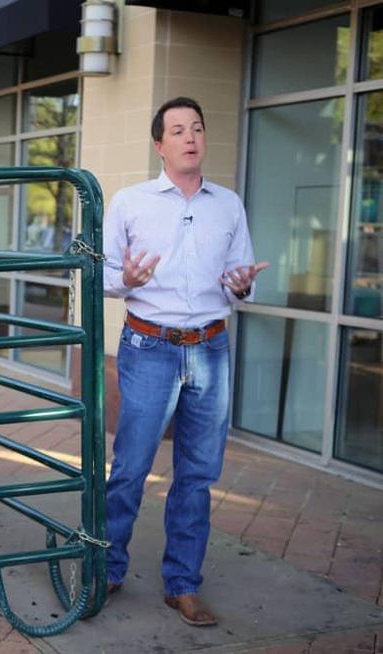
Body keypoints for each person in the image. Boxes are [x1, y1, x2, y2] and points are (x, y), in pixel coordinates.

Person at [102, 96, 269, 627]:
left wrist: (243, 285)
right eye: (177, 130)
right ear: (160, 145)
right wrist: (126, 280)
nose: (190, 137)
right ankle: (105, 568)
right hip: (149, 345)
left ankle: (183, 583)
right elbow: (101, 275)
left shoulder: (229, 204)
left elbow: (241, 276)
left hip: (211, 348)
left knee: (197, 474)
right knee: (131, 467)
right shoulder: (130, 202)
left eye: (196, 128)